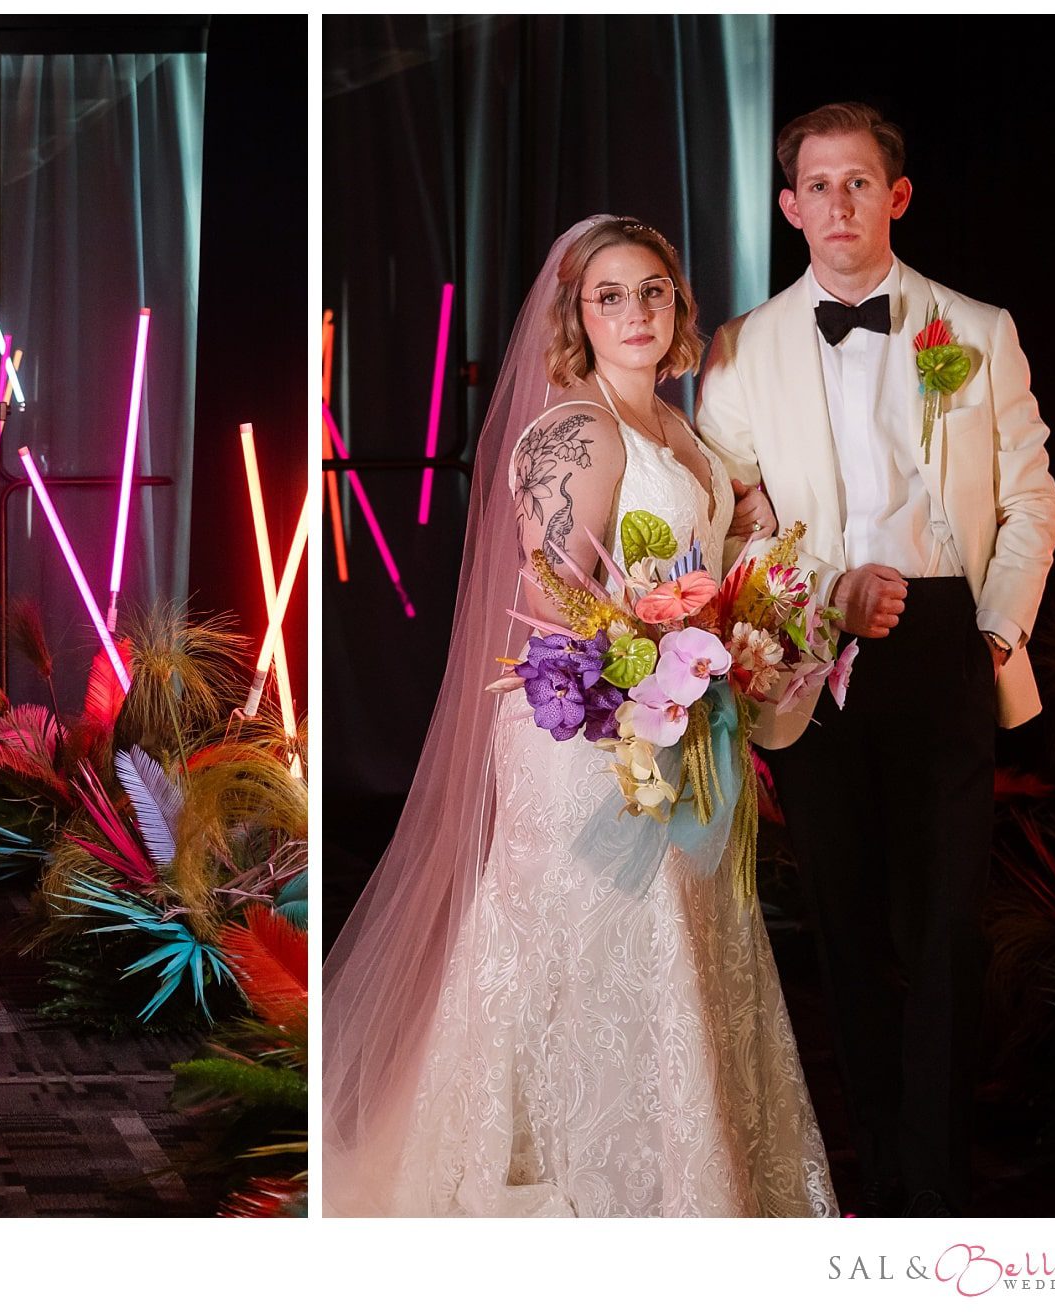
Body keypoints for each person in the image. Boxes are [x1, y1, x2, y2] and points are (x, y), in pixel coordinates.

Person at [323, 217, 836, 1217]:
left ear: (678, 309)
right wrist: (667, 662)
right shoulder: (571, 430)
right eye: (610, 295)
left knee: (681, 946)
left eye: (651, 291)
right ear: (577, 316)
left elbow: (729, 569)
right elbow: (554, 594)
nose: (635, 312)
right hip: (588, 732)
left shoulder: (683, 433)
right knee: (593, 947)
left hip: (680, 721)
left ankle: (683, 1180)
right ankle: (570, 1188)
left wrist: (750, 629)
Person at [697, 103, 1055, 1217]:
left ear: (894, 197)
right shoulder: (740, 349)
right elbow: (727, 520)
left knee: (943, 928)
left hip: (948, 642)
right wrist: (810, 599)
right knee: (844, 929)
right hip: (813, 654)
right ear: (787, 204)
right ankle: (879, 1176)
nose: (838, 204)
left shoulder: (974, 326)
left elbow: (1029, 498)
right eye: (818, 184)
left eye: (859, 183)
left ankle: (936, 1187)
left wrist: (990, 634)